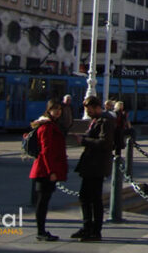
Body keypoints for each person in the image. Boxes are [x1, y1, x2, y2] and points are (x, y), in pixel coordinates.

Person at [72, 96, 115, 241]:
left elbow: (105, 143)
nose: (88, 113)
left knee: (94, 198)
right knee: (85, 197)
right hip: (90, 164)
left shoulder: (106, 121)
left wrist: (84, 140)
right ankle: (87, 226)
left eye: (89, 110)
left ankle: (95, 231)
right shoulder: (97, 120)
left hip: (97, 165)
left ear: (97, 107)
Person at [29, 99, 68, 242]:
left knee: (44, 200)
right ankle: (41, 231)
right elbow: (46, 151)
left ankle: (42, 230)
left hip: (46, 169)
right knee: (42, 201)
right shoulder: (47, 127)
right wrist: (51, 171)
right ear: (49, 110)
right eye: (54, 108)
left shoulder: (52, 125)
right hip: (44, 170)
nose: (58, 111)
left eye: (59, 109)